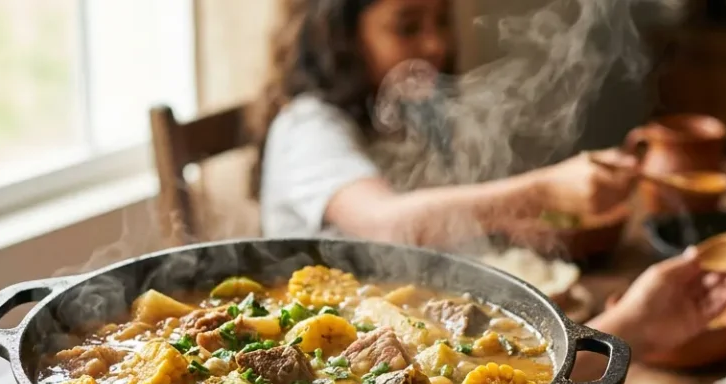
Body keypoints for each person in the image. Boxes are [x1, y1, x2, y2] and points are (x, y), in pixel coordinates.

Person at [249, 0, 637, 246]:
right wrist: (545, 191)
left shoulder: (411, 111)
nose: (436, 44)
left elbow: (441, 214)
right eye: (407, 27)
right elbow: (389, 225)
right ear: (342, 36)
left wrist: (511, 221)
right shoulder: (307, 128)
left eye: (441, 20)